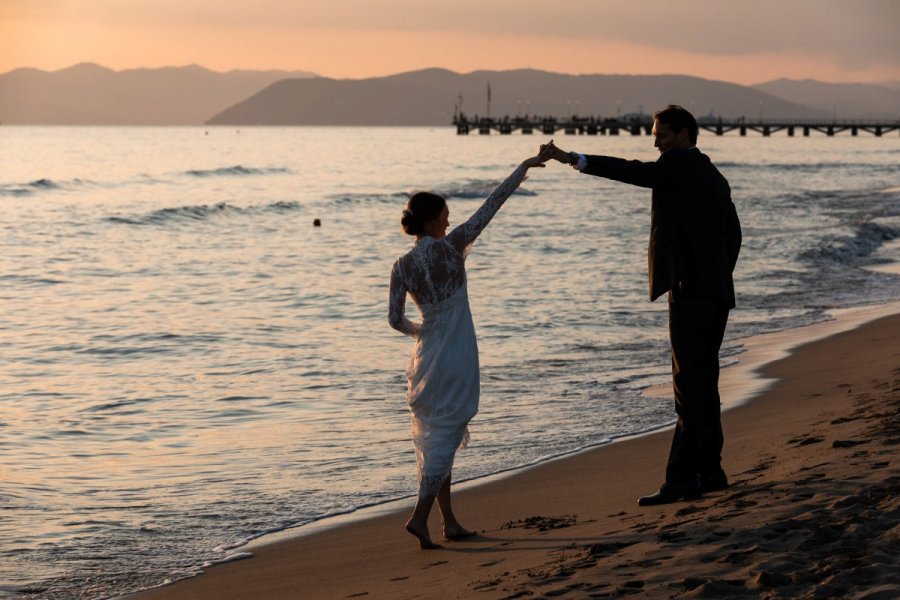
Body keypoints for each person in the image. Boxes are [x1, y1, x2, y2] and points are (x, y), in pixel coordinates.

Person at [543, 105, 741, 506]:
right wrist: (717, 274)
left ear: (684, 134)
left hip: (691, 292)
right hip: (716, 292)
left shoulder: (678, 164)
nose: (656, 142)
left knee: (688, 386)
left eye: (662, 135)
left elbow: (633, 171)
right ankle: (711, 471)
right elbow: (733, 234)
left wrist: (572, 159)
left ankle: (682, 480)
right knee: (705, 382)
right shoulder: (712, 173)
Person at [388, 146, 555, 548]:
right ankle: (418, 516)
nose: (450, 218)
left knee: (439, 437)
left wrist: (423, 332)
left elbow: (395, 319)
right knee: (447, 435)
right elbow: (493, 203)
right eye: (444, 214)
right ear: (432, 220)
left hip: (428, 356)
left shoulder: (401, 266)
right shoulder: (453, 245)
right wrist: (526, 166)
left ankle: (449, 523)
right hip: (458, 353)